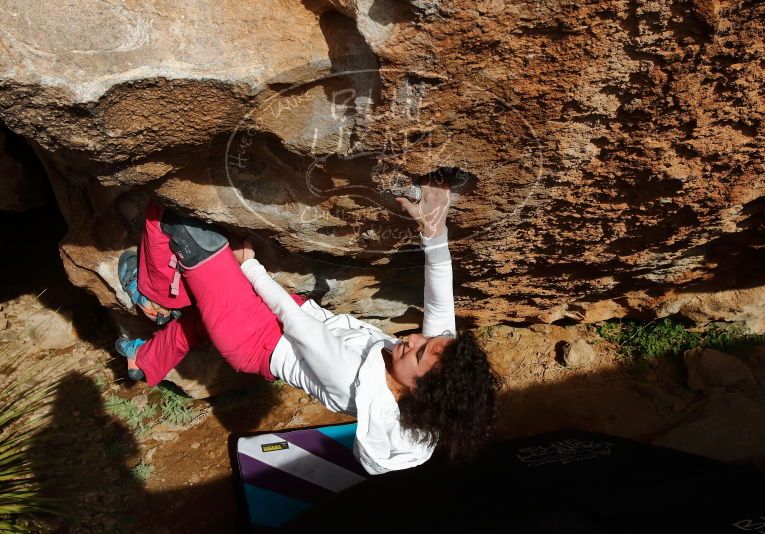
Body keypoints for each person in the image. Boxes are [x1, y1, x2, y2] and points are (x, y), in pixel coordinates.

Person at [115, 181, 499, 474]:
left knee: (180, 223)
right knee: (205, 308)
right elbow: (439, 302)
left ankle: (153, 292)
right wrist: (434, 229)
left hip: (255, 337)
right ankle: (145, 361)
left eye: (417, 351)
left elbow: (299, 327)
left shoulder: (354, 380)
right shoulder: (430, 365)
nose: (414, 338)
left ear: (417, 390)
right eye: (427, 340)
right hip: (287, 319)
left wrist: (250, 266)